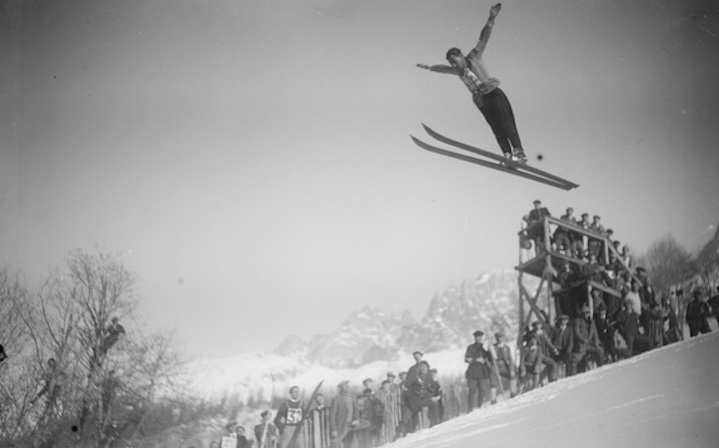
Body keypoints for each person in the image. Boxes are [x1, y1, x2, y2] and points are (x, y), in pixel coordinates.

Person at [416, 3, 527, 163]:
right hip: (482, 101)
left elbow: (484, 37)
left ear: (461, 56)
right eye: (452, 63)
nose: (454, 66)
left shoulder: (474, 56)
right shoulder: (457, 71)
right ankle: (507, 154)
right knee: (495, 128)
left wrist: (491, 18)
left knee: (505, 122)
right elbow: (443, 69)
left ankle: (519, 152)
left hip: (493, 93)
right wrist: (430, 68)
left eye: (455, 61)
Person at [568, 306, 604, 375]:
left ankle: (601, 369)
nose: (586, 314)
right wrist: (583, 340)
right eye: (585, 313)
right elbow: (576, 332)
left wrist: (596, 342)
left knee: (600, 351)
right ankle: (572, 375)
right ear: (582, 314)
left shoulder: (591, 322)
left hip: (590, 344)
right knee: (575, 360)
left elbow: (595, 332)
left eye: (588, 313)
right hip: (580, 345)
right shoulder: (578, 321)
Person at [464, 330, 493, 412]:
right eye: (477, 337)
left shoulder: (485, 348)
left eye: (480, 337)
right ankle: (470, 409)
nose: (479, 338)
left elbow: (491, 360)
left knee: (482, 390)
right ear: (475, 338)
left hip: (483, 373)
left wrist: (490, 351)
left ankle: (480, 407)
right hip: (472, 372)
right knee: (472, 391)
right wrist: (476, 359)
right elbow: (466, 359)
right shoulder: (470, 348)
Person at [329, 381, 358, 448]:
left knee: (350, 445)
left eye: (348, 386)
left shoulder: (352, 398)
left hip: (352, 426)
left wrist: (356, 419)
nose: (347, 388)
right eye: (345, 386)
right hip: (341, 426)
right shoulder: (336, 399)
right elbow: (332, 416)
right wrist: (333, 430)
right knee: (334, 444)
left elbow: (356, 411)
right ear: (341, 388)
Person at [492, 332, 517, 399]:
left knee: (512, 375)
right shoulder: (493, 347)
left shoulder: (507, 347)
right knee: (493, 381)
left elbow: (510, 359)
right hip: (495, 367)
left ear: (503, 338)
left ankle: (513, 393)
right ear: (496, 339)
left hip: (504, 367)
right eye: (498, 338)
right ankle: (493, 399)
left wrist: (511, 369)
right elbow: (490, 358)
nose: (500, 339)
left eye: (501, 338)